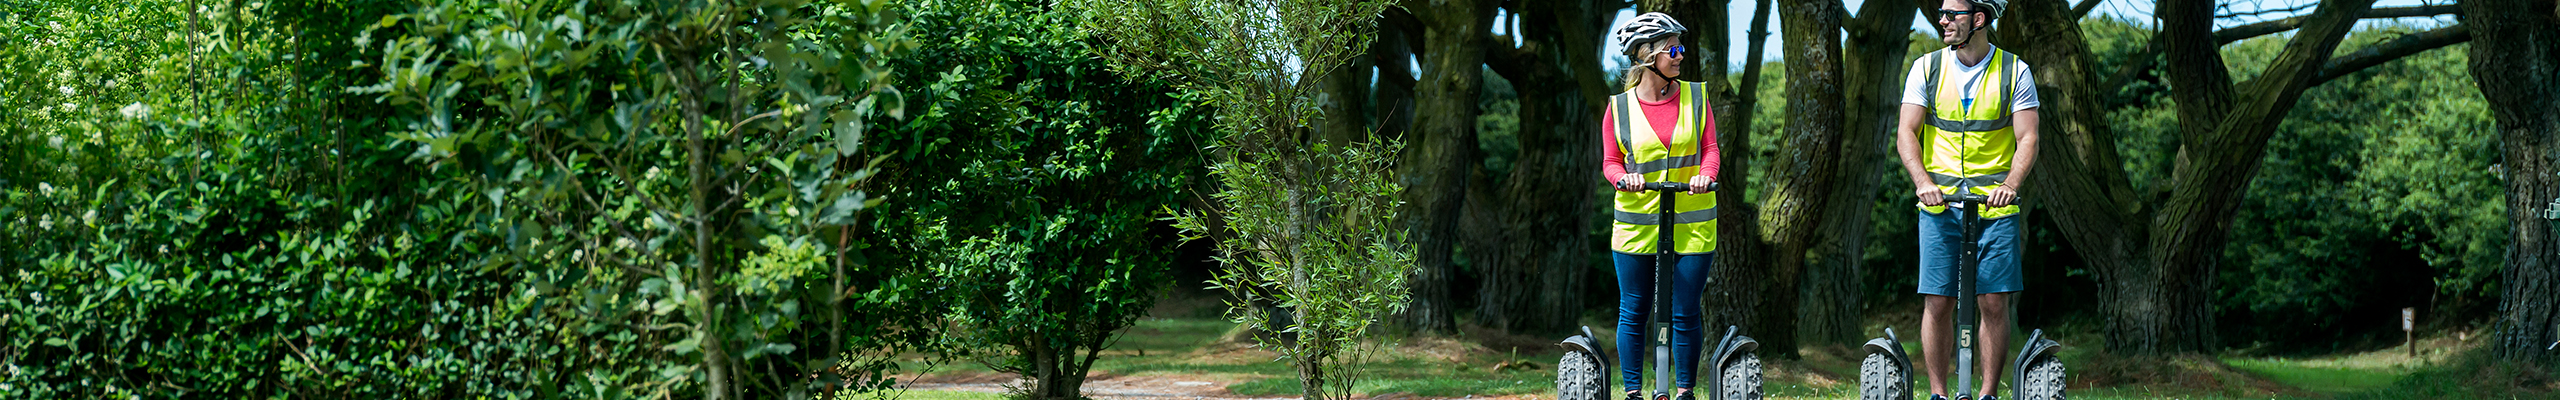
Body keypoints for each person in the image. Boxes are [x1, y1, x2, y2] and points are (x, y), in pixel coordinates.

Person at [1892, 0, 2040, 398]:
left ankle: (1988, 393)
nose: (1942, 20)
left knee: (1993, 302)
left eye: (1951, 13)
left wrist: (2010, 183)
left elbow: (2028, 137)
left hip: (1995, 209)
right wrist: (1922, 181)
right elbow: (1907, 132)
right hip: (1939, 207)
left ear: (1978, 19)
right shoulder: (1927, 68)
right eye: (1942, 12)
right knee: (1938, 302)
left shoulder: (2015, 71)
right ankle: (1940, 394)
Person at [1599, 12, 1720, 400]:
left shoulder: (1697, 96)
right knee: (1633, 311)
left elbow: (1710, 150)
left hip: (1692, 222)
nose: (1681, 55)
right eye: (1673, 48)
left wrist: (1705, 174)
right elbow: (1610, 161)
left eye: (1680, 48)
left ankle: (1683, 391)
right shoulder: (1618, 108)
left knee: (1685, 310)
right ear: (1646, 55)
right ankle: (1633, 392)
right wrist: (1622, 178)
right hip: (1636, 226)